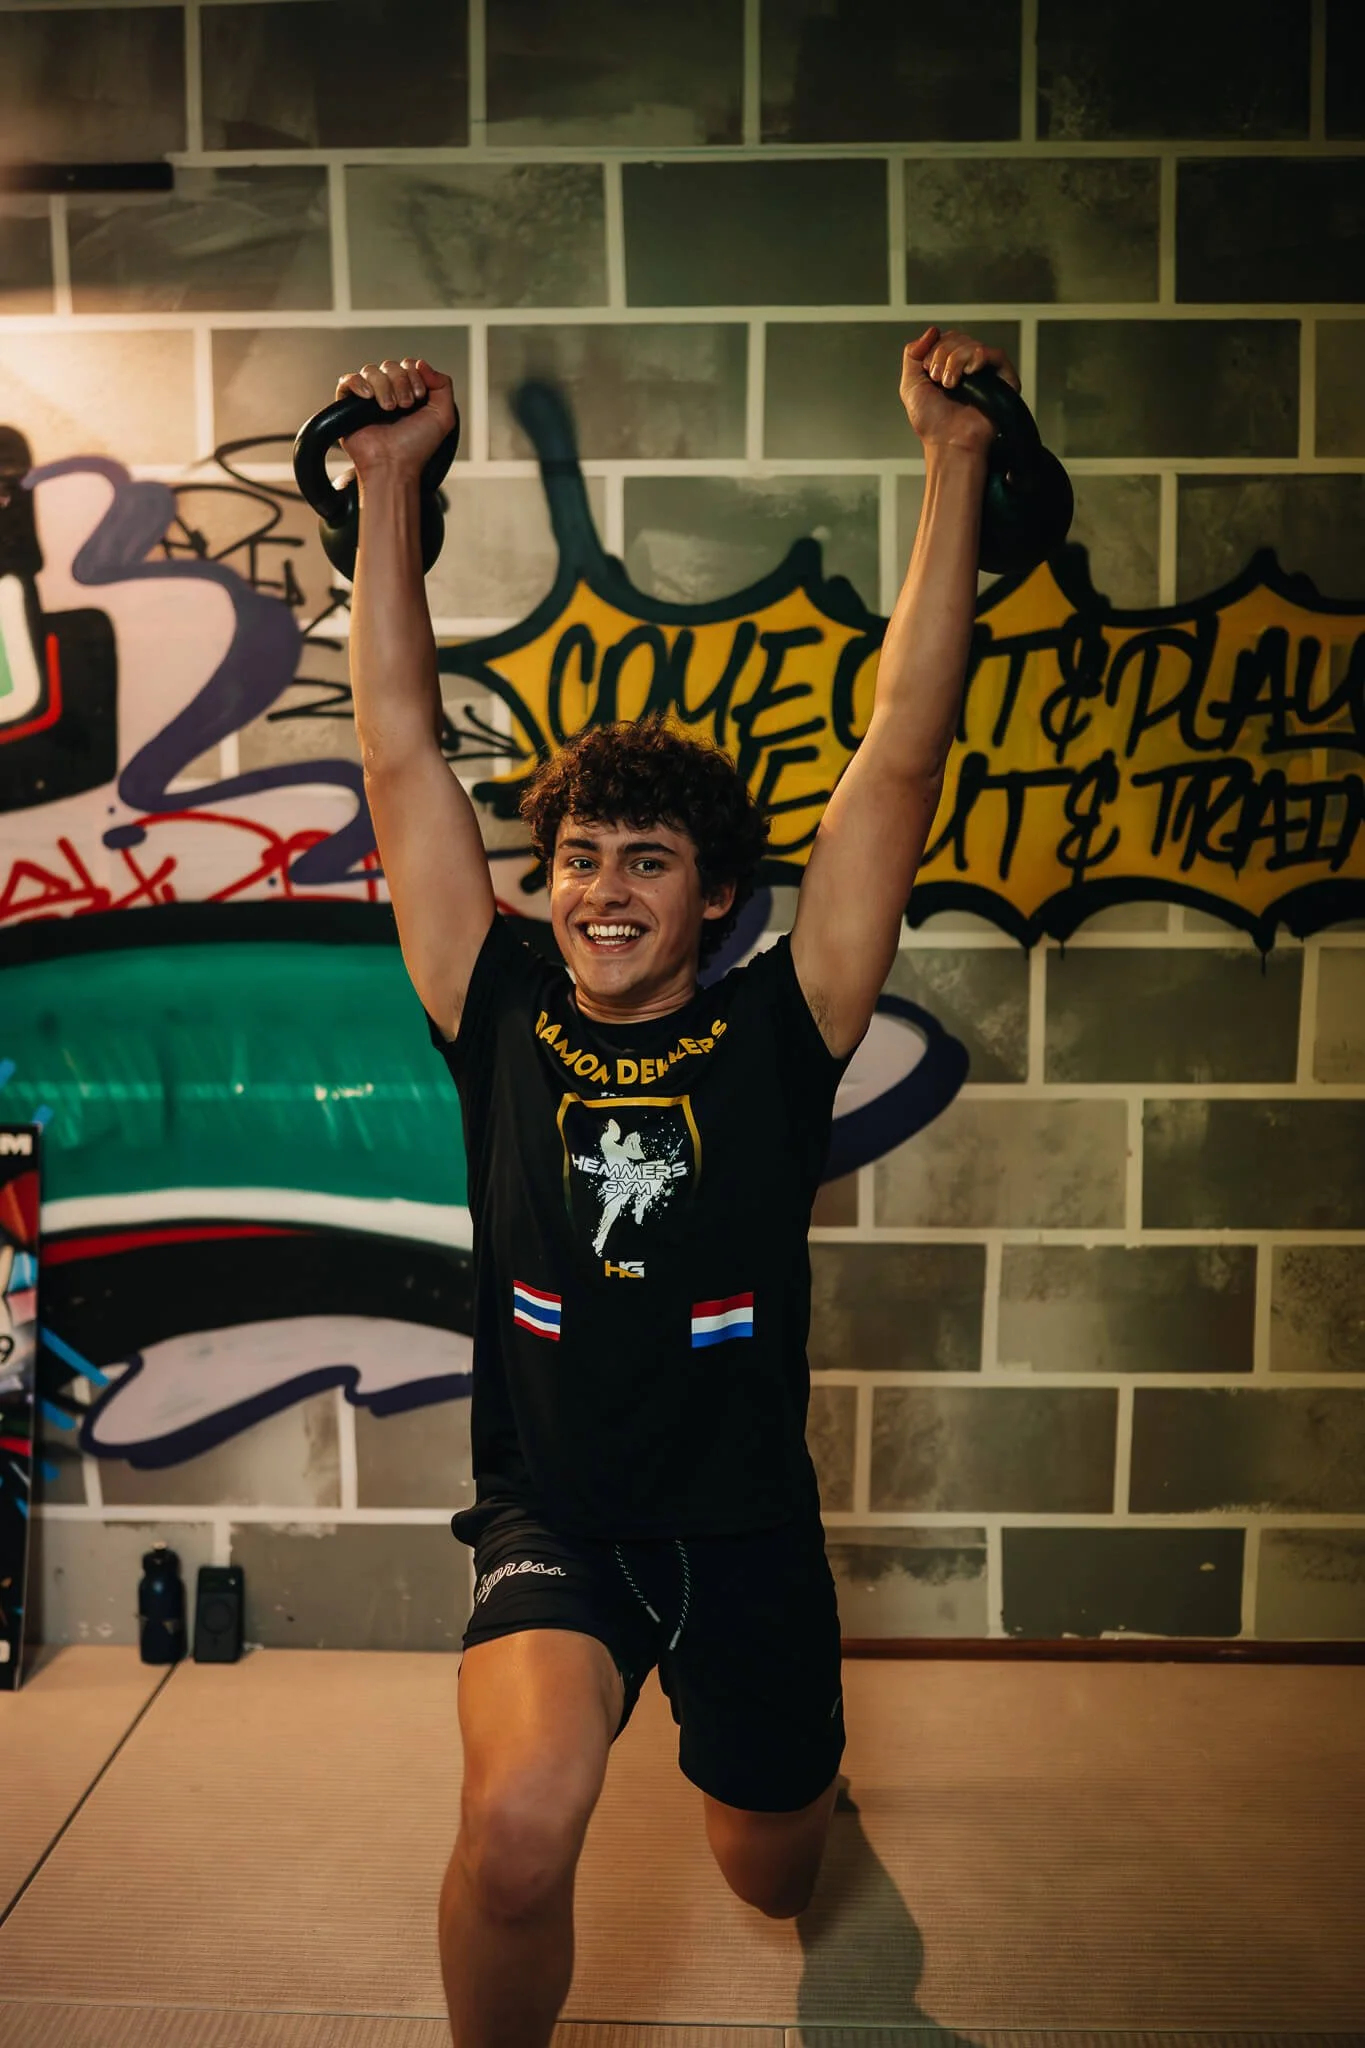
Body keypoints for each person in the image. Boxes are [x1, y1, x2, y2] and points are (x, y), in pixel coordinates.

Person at [340, 325, 1016, 2048]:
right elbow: (401, 752)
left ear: (716, 899)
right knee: (516, 1833)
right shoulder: (494, 1002)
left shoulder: (786, 1026)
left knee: (770, 1877)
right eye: (579, 859)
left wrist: (957, 460)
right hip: (559, 1518)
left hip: (747, 1532)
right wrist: (389, 487)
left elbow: (903, 751)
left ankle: (799, 1798)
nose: (603, 890)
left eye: (647, 862)